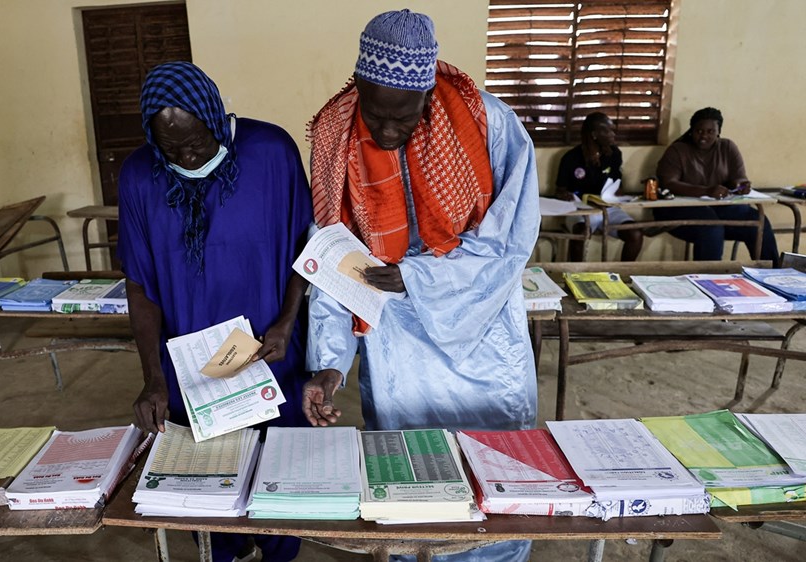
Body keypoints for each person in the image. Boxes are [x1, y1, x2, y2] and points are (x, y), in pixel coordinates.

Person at [303, 10, 538, 562]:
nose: (387, 132)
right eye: (377, 115)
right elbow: (334, 259)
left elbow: (509, 242)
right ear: (357, 86)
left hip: (480, 327)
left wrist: (417, 275)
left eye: (403, 118)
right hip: (394, 338)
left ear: (428, 92)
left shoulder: (488, 125)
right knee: (410, 476)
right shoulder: (336, 137)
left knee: (494, 478)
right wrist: (331, 361)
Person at [118, 61, 311, 562]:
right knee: (205, 483)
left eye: (197, 143)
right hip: (192, 368)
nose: (186, 156)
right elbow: (140, 286)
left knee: (278, 475)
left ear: (214, 116)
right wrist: (153, 377)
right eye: (172, 148)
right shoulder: (141, 176)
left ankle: (278, 550)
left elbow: (304, 249)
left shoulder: (270, 152)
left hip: (271, 352)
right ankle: (222, 549)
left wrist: (288, 320)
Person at [654, 107, 779, 263]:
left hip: (718, 207)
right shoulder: (678, 150)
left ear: (718, 132)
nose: (704, 136)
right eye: (699, 131)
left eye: (710, 131)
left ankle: (772, 275)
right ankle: (709, 281)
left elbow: (738, 177)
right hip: (679, 209)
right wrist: (706, 191)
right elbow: (669, 183)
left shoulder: (727, 147)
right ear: (692, 131)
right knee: (711, 227)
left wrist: (741, 186)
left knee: (757, 220)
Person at [555, 112, 643, 261]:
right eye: (608, 131)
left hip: (608, 209)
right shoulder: (571, 158)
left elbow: (616, 183)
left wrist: (619, 192)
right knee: (579, 235)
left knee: (635, 233)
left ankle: (622, 277)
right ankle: (575, 277)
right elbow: (560, 190)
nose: (613, 134)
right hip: (580, 210)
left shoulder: (614, 154)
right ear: (594, 134)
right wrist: (565, 195)